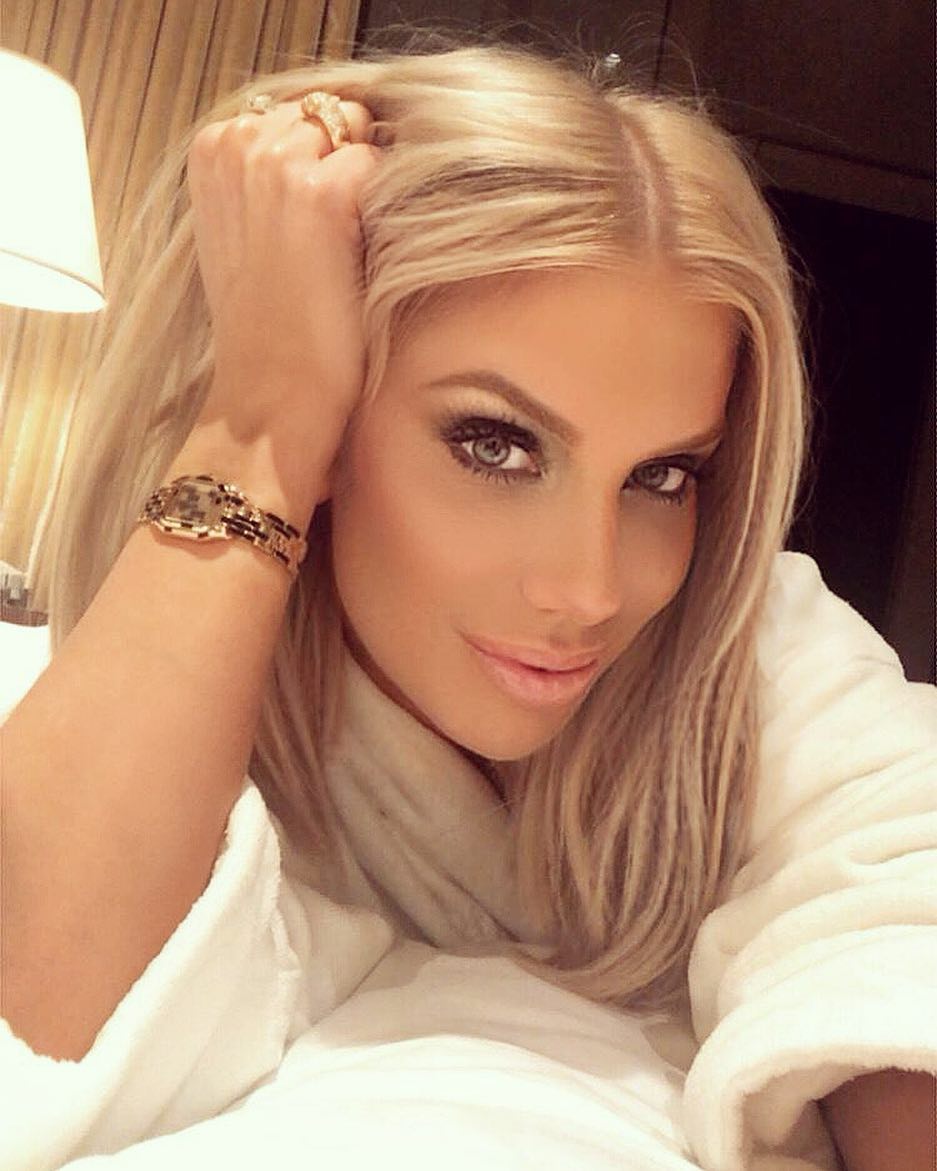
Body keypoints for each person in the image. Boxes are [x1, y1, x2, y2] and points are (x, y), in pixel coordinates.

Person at [1, 37, 934, 1171]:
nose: (590, 588)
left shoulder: (757, 650)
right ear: (335, 398)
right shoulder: (175, 684)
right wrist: (261, 426)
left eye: (662, 475)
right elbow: (30, 1025)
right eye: (494, 443)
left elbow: (900, 910)